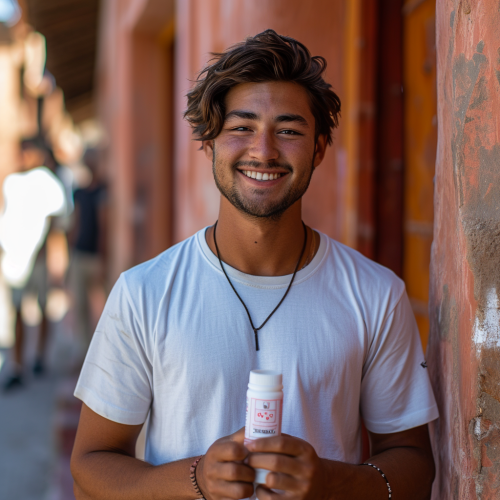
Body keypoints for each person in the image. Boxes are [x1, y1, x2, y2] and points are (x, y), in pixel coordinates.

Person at [71, 30, 438, 500]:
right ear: (209, 144)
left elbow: (414, 465)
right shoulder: (144, 292)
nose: (263, 151)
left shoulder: (375, 294)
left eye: (288, 131)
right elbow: (90, 465)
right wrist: (196, 479)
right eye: (241, 127)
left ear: (320, 148)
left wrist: (330, 481)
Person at [0, 139, 66, 391]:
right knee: (18, 310)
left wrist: (55, 262)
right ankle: (18, 364)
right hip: (17, 258)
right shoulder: (14, 183)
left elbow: (56, 225)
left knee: (41, 308)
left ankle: (38, 357)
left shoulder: (46, 183)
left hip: (38, 259)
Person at [68, 147, 107, 358]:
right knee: (80, 306)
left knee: (101, 305)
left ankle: (102, 349)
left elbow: (104, 227)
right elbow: (76, 223)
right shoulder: (80, 193)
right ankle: (85, 350)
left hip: (94, 256)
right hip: (80, 254)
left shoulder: (103, 190)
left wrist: (102, 258)